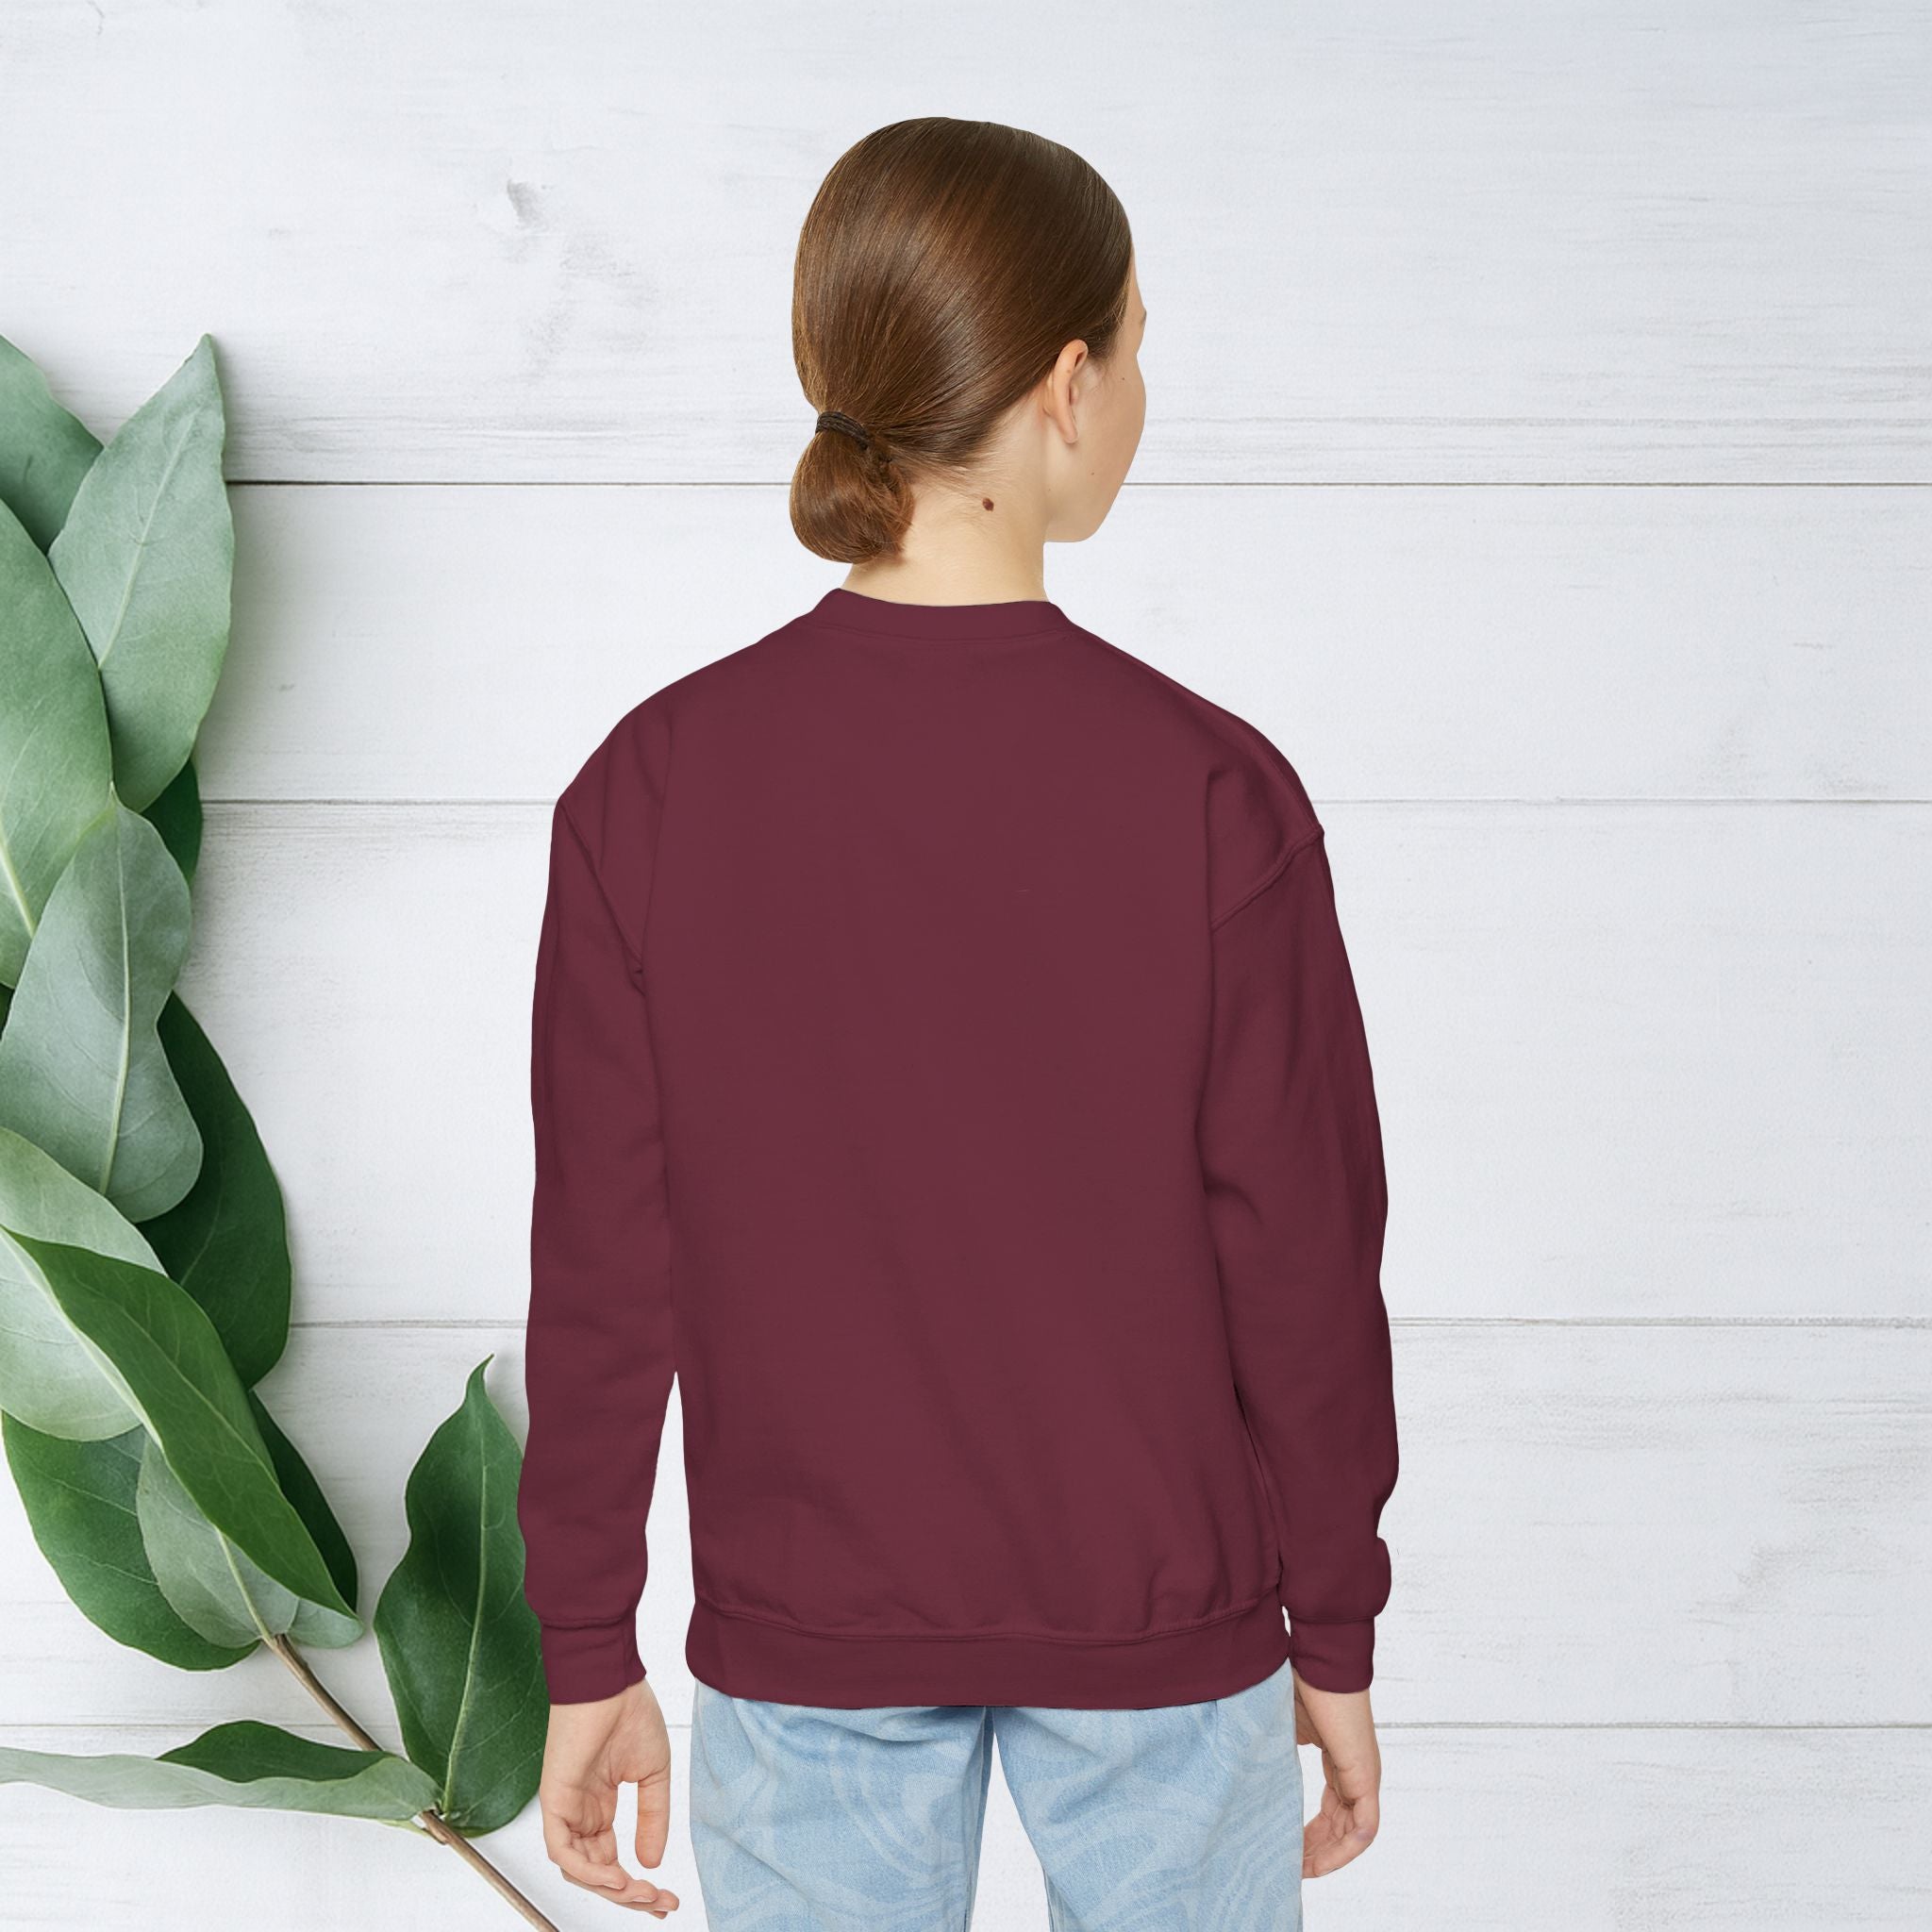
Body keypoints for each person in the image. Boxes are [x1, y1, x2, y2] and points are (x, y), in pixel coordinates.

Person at [515, 116, 1399, 1928]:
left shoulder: (652, 792)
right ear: (1070, 383)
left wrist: (588, 1641)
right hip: (1167, 1636)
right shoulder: (1215, 796)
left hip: (806, 1636)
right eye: (1138, 344)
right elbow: (1305, 1256)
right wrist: (1334, 1619)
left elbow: (605, 1264)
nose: (1138, 389)